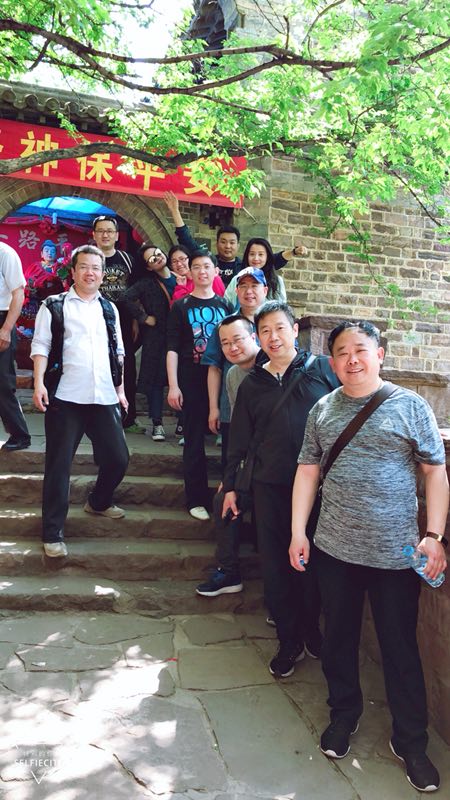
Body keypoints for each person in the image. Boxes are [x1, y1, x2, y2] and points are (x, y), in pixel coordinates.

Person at [290, 320, 449, 793]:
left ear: (379, 354)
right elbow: (307, 471)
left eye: (360, 349)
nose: (352, 359)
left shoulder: (410, 405)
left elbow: (435, 472)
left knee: (400, 647)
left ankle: (411, 741)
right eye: (342, 352)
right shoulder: (323, 409)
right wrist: (298, 532)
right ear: (332, 361)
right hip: (334, 548)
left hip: (396, 553)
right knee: (338, 638)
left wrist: (434, 535)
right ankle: (344, 714)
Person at [222, 300, 340, 676]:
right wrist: (231, 487)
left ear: (294, 330)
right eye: (265, 331)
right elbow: (239, 440)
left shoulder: (322, 371)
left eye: (279, 328)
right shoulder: (252, 384)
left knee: (314, 563)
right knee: (276, 565)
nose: (273, 337)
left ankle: (312, 630)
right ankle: (289, 639)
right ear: (259, 337)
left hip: (320, 488)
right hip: (269, 487)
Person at [31, 244, 130, 558]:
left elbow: (118, 352)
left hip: (104, 396)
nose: (90, 273)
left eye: (96, 268)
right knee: (59, 466)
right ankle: (52, 533)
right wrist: (38, 384)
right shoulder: (54, 305)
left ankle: (98, 502)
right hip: (66, 397)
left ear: (103, 274)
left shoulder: (109, 308)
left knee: (118, 458)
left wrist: (120, 390)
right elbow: (41, 346)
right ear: (72, 272)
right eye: (84, 267)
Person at [196, 313, 260, 596]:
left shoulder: (274, 368)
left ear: (253, 337)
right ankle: (228, 571)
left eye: (238, 340)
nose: (232, 347)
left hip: (282, 464)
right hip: (252, 462)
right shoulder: (234, 375)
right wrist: (231, 476)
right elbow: (239, 430)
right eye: (225, 343)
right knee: (223, 498)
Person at [166, 251, 232, 520]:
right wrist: (173, 385)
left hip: (222, 378)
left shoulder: (226, 306)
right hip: (190, 379)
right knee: (193, 439)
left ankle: (227, 496)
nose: (202, 271)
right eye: (196, 267)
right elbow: (171, 348)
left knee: (227, 438)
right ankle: (196, 498)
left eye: (207, 266)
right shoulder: (180, 306)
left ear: (216, 271)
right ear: (189, 272)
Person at [163, 191, 306, 286]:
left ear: (238, 245)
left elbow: (273, 260)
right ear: (217, 244)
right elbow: (186, 240)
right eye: (223, 242)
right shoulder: (209, 262)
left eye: (232, 242)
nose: (227, 246)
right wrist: (175, 211)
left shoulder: (244, 266)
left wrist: (293, 252)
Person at [202, 267, 268, 473]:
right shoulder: (225, 326)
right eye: (243, 286)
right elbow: (214, 367)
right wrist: (214, 408)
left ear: (265, 290)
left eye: (254, 285)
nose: (249, 291)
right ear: (236, 291)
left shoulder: (275, 323)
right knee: (231, 465)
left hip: (269, 410)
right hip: (232, 408)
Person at [91, 214, 141, 433]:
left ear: (116, 235)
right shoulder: (88, 258)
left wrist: (136, 320)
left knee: (125, 366)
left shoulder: (127, 259)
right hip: (94, 319)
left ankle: (128, 417)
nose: (105, 235)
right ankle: (94, 416)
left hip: (124, 321)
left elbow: (136, 292)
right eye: (101, 231)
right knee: (95, 365)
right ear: (94, 235)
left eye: (109, 231)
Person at [123, 243, 176, 441]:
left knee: (182, 378)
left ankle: (182, 424)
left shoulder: (180, 277)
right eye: (152, 258)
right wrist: (143, 318)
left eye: (158, 253)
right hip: (157, 336)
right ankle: (157, 424)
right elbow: (126, 298)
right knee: (156, 381)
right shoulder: (146, 283)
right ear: (148, 266)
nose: (157, 257)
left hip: (179, 335)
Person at [0, 242, 31, 451]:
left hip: (2, 319)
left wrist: (6, 329)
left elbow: (18, 294)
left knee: (3, 382)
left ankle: (20, 435)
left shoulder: (5, 253)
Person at [225, 238, 287, 306]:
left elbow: (282, 307)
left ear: (267, 257)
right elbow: (227, 303)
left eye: (260, 254)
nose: (256, 258)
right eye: (252, 254)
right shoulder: (237, 279)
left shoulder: (277, 281)